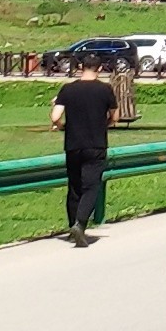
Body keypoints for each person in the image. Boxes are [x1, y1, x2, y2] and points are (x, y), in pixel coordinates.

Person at [49, 62, 124, 244]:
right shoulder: (105, 90)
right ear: (99, 69)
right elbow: (115, 117)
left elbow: (55, 116)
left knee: (74, 186)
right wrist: (105, 124)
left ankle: (72, 226)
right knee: (91, 187)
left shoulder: (67, 89)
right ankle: (80, 224)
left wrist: (62, 127)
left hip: (73, 145)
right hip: (96, 145)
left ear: (81, 66)